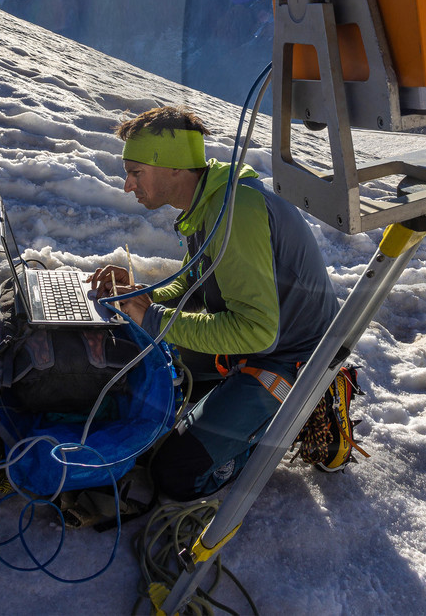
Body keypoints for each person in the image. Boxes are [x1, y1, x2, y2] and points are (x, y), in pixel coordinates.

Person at [89, 106, 338, 500]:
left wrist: (151, 316)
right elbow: (191, 287)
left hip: (291, 360)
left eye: (136, 173)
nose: (127, 185)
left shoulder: (235, 212)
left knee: (175, 473)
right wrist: (140, 295)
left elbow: (257, 332)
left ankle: (284, 420)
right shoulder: (209, 203)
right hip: (255, 344)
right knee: (129, 362)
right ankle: (226, 400)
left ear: (172, 168)